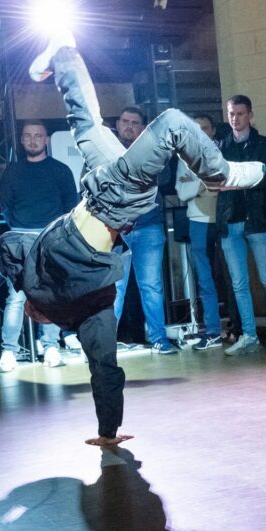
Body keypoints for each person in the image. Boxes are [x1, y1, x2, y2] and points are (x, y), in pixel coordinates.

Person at [0, 33, 264, 445]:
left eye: (31, 314)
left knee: (85, 122)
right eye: (38, 316)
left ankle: (63, 51)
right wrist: (108, 431)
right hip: (118, 196)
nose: (34, 316)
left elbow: (9, 247)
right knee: (172, 122)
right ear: (48, 315)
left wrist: (107, 432)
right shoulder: (83, 310)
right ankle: (219, 174)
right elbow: (103, 367)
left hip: (101, 188)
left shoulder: (43, 285)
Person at [0, 121, 79, 372]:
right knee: (16, 298)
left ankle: (50, 347)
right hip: (20, 238)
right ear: (22, 140)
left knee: (50, 295)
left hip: (50, 237)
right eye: (28, 136)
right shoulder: (11, 172)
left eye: (38, 136)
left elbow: (71, 206)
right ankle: (8, 352)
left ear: (46, 140)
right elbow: (5, 207)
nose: (33, 140)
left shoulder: (61, 170)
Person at [214, 95, 266, 356]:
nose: (235, 118)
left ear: (250, 115)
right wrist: (240, 179)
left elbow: (264, 178)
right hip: (230, 221)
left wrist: (231, 181)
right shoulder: (221, 146)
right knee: (238, 282)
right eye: (231, 113)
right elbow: (213, 181)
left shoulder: (263, 144)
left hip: (258, 219)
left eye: (240, 113)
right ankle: (249, 334)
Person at [111, 106, 176, 354]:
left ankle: (159, 338)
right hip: (115, 229)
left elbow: (165, 177)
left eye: (134, 122)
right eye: (124, 121)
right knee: (114, 287)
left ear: (142, 127)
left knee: (151, 285)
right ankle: (106, 344)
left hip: (148, 226)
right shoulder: (106, 150)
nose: (128, 126)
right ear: (117, 124)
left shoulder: (155, 149)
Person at [175, 113, 231, 350]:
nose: (201, 132)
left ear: (213, 130)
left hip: (223, 219)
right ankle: (213, 331)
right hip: (197, 219)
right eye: (196, 129)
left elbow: (224, 185)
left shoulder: (222, 154)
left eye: (205, 128)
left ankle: (235, 329)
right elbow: (181, 190)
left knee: (230, 276)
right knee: (205, 278)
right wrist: (201, 183)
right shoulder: (184, 157)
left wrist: (198, 182)